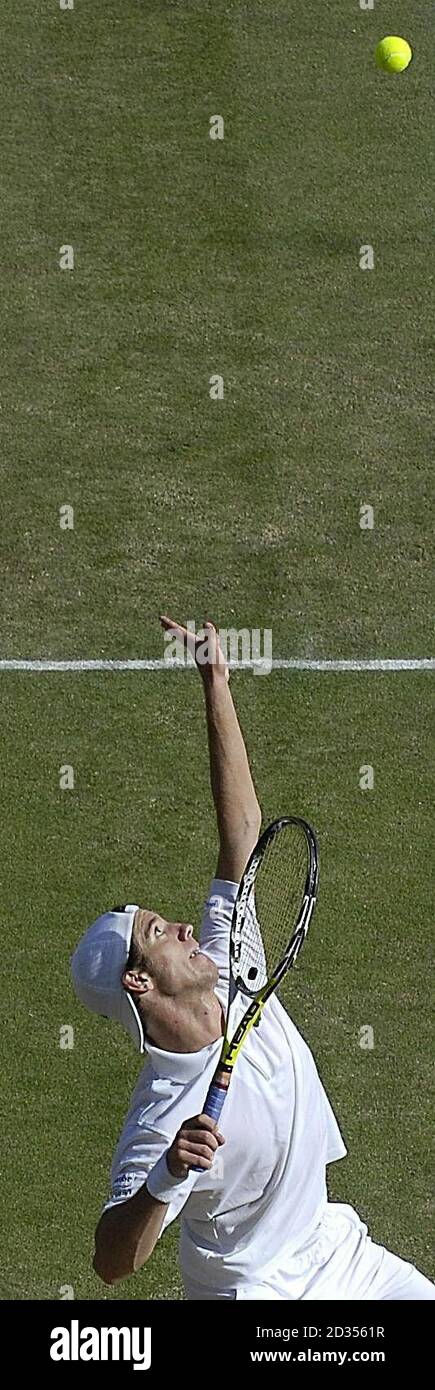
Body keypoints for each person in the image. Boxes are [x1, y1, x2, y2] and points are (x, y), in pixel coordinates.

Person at [71, 615, 434, 1300]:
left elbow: (239, 833)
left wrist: (216, 682)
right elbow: (111, 1262)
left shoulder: (234, 965)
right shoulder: (161, 1113)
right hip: (253, 1291)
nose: (181, 926)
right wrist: (165, 1177)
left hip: (339, 1254)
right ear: (138, 982)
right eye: (157, 933)